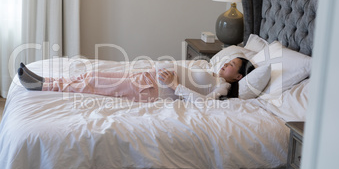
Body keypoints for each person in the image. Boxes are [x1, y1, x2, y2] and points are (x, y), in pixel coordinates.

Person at [18, 57, 254, 102]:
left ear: (239, 76)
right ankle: (44, 79)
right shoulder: (211, 71)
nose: (226, 63)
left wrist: (174, 85)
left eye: (231, 64)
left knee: (93, 82)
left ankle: (41, 85)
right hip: (145, 76)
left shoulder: (221, 87)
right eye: (228, 60)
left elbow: (204, 104)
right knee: (90, 75)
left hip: (150, 89)